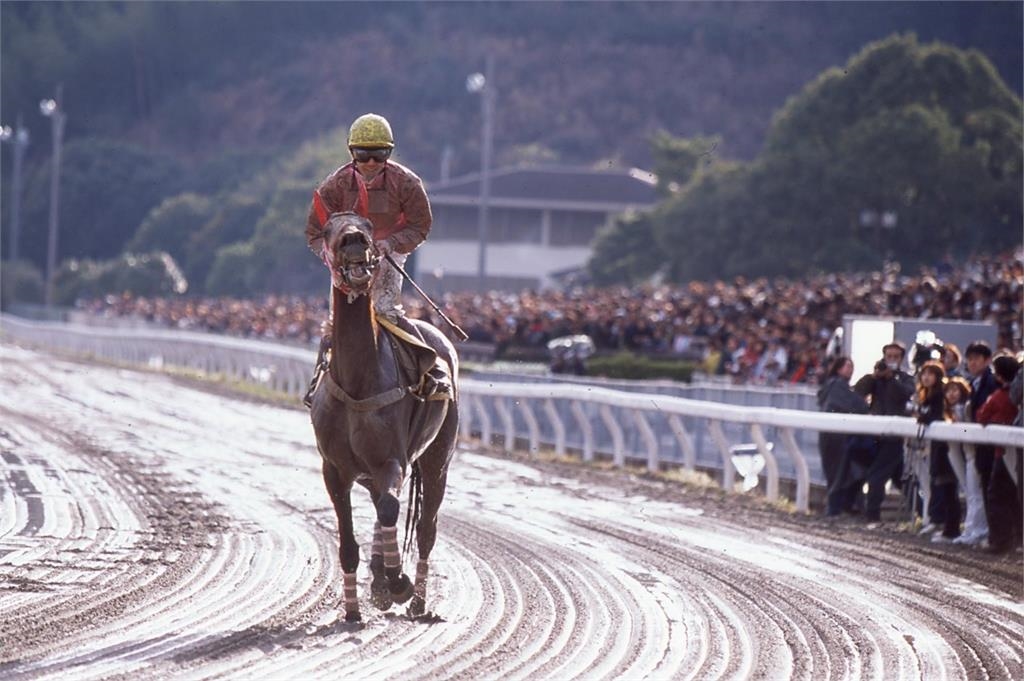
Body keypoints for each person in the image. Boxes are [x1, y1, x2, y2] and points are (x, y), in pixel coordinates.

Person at [302, 113, 441, 407]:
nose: (370, 164)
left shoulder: (406, 183)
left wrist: (390, 243)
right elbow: (315, 231)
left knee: (386, 310)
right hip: (347, 260)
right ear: (352, 153)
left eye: (379, 155)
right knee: (338, 321)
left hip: (388, 252)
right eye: (363, 155)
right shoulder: (336, 184)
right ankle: (320, 378)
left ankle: (430, 370)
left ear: (388, 153)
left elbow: (421, 225)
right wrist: (331, 255)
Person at [853, 341, 916, 521]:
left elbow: (904, 395)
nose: (891, 360)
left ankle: (872, 516)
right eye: (889, 356)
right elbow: (858, 392)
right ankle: (921, 511)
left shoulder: (906, 378)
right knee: (900, 479)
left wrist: (890, 378)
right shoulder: (877, 379)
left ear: (901, 359)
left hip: (894, 436)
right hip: (876, 436)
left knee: (876, 477)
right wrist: (874, 377)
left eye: (895, 357)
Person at [975, 354, 1022, 554]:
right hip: (1011, 442)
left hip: (1007, 448)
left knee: (999, 492)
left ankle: (1002, 540)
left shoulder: (1000, 395)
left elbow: (982, 415)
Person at [913, 361, 960, 542]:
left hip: (945, 446)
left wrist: (923, 417)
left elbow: (935, 417)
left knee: (947, 486)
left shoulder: (940, 395)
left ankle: (951, 529)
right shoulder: (927, 395)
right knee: (940, 483)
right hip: (938, 446)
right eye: (924, 373)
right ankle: (942, 524)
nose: (926, 377)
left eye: (930, 374)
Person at [817, 356, 870, 516]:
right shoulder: (836, 385)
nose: (850, 369)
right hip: (836, 438)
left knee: (842, 472)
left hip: (834, 436)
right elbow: (856, 406)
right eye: (847, 366)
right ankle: (837, 508)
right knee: (841, 472)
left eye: (852, 366)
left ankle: (840, 507)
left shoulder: (836, 386)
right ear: (838, 368)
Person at [944, 377, 989, 545]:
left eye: (955, 390)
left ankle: (977, 530)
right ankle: (971, 529)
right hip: (968, 455)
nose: (952, 394)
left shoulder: (967, 407)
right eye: (949, 390)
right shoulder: (953, 410)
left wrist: (957, 425)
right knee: (971, 494)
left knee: (975, 494)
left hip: (975, 455)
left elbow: (968, 428)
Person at [963, 341, 999, 526]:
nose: (972, 363)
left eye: (976, 359)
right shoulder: (971, 383)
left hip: (990, 443)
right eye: (969, 359)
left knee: (989, 488)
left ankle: (992, 532)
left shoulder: (992, 383)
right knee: (980, 487)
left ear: (987, 360)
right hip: (978, 441)